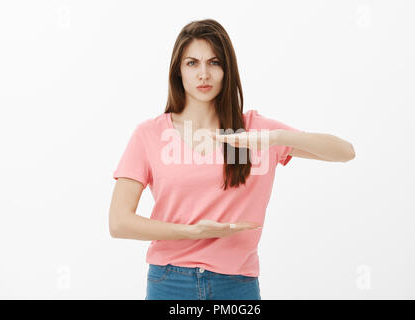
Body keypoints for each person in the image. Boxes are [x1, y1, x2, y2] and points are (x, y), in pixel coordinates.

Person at [109, 19, 355, 300]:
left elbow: (345, 152)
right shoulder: (149, 134)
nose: (204, 74)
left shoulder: (256, 130)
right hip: (169, 281)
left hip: (236, 284)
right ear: (178, 71)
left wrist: (275, 138)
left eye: (214, 63)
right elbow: (118, 222)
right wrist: (192, 232)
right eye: (192, 63)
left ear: (227, 70)